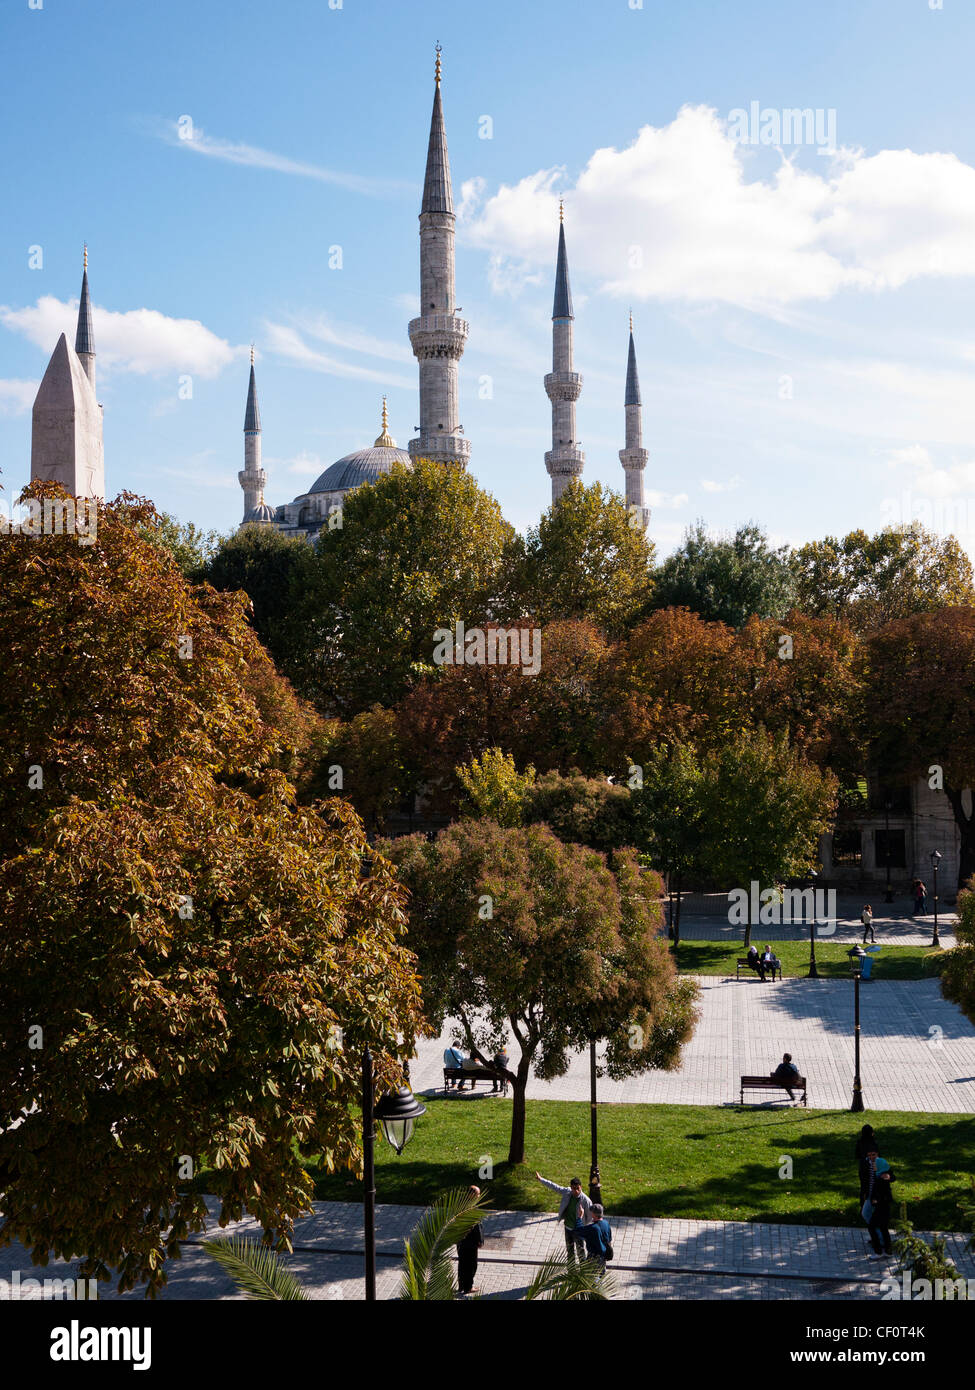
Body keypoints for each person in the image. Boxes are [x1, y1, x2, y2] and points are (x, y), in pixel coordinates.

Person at [535, 1172, 592, 1263]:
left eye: (578, 1188)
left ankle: (582, 1272)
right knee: (570, 1251)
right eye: (574, 1188)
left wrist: (582, 1225)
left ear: (581, 1187)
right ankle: (571, 1272)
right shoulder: (567, 1192)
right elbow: (555, 1187)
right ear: (571, 1187)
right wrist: (541, 1179)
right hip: (568, 1228)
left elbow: (589, 1217)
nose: (576, 1191)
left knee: (581, 1252)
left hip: (579, 1230)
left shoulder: (586, 1201)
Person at [863, 1152, 895, 1258]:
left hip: (881, 1207)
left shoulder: (882, 1178)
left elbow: (884, 1193)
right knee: (883, 1227)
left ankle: (878, 1251)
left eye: (876, 1165)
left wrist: (876, 1200)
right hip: (884, 1206)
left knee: (872, 1226)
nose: (874, 1166)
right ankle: (888, 1251)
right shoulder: (880, 1175)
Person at [456, 1185, 484, 1296]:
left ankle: (461, 1286)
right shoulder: (471, 1209)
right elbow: (476, 1227)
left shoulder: (462, 1206)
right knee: (471, 1265)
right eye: (478, 1194)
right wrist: (480, 1241)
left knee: (462, 1264)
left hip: (461, 1242)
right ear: (472, 1195)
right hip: (469, 1243)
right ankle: (468, 1287)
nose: (479, 1196)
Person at [578, 1203, 613, 1272]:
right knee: (600, 1275)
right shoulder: (606, 1223)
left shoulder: (593, 1228)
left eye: (591, 1212)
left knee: (592, 1277)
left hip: (593, 1257)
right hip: (603, 1256)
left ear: (594, 1214)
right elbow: (609, 1239)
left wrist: (580, 1217)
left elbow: (578, 1231)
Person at [855, 1125, 879, 1204]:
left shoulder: (860, 1142)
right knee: (873, 1186)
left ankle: (863, 1204)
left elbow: (857, 1155)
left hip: (863, 1167)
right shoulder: (874, 1143)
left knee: (864, 1187)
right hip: (872, 1167)